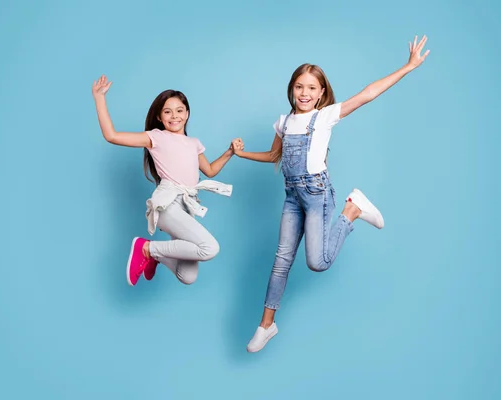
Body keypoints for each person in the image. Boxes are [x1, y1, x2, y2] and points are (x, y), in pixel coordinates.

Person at [231, 35, 430, 352]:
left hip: (317, 194)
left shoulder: (324, 116)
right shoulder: (283, 122)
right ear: (291, 90)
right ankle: (266, 326)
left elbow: (368, 94)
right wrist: (240, 155)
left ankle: (352, 210)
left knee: (317, 262)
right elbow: (273, 157)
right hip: (292, 197)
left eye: (311, 88)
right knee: (281, 261)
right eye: (299, 87)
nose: (305, 93)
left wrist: (408, 66)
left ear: (322, 92)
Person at [92, 75, 243, 286]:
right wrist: (99, 98)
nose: (174, 116)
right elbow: (112, 136)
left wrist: (230, 152)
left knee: (187, 276)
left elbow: (209, 171)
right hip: (167, 205)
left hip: (186, 207)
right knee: (210, 247)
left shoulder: (193, 143)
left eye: (179, 110)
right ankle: (146, 248)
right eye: (167, 111)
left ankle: (156, 255)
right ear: (160, 117)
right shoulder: (156, 137)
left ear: (187, 114)